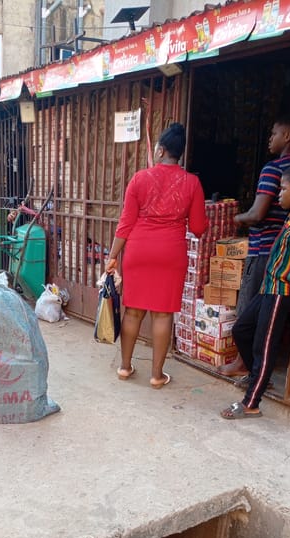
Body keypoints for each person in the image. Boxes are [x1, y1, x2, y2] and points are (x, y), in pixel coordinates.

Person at [105, 123, 207, 388]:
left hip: (138, 250)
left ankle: (125, 367)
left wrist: (112, 257)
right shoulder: (192, 183)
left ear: (160, 150)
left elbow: (125, 223)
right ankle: (157, 375)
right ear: (179, 154)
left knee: (133, 311)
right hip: (170, 253)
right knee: (163, 314)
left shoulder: (139, 179)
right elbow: (197, 228)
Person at [220, 163, 290, 419]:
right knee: (242, 329)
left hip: (280, 292)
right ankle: (257, 377)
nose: (279, 194)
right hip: (269, 289)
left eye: (283, 189)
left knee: (263, 347)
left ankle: (250, 403)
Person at [219, 116, 290, 378]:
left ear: (287, 136)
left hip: (263, 249)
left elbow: (257, 214)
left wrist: (235, 218)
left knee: (247, 312)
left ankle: (243, 363)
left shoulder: (272, 169)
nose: (269, 139)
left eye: (274, 134)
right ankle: (258, 363)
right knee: (270, 313)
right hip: (286, 254)